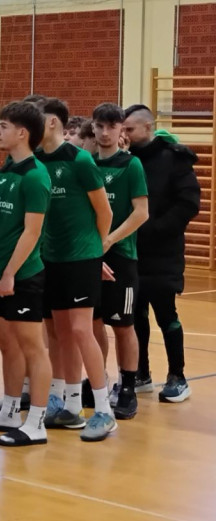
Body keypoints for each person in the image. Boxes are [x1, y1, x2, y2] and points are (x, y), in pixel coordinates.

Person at [0, 101, 52, 447]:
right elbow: (0, 222)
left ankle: (37, 423)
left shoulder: (36, 176)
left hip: (24, 275)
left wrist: (10, 275)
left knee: (33, 348)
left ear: (22, 133)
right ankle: (9, 411)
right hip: (1, 270)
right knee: (7, 346)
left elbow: (32, 233)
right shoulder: (7, 169)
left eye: (2, 126)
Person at [34, 98, 116, 441]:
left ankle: (104, 410)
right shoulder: (35, 160)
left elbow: (105, 212)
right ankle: (69, 405)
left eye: (36, 120)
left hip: (81, 256)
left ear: (52, 122)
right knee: (58, 333)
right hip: (50, 256)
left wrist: (95, 251)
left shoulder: (79, 160)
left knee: (82, 330)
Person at [124, 104, 200, 402]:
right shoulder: (126, 160)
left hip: (164, 252)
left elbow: (189, 203)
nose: (124, 134)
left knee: (166, 314)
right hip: (132, 252)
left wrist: (154, 229)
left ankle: (177, 376)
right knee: (135, 315)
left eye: (130, 129)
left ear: (147, 127)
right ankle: (140, 373)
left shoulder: (174, 159)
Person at [88, 103, 148, 419]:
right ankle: (97, 380)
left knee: (123, 324)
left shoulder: (131, 165)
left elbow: (141, 213)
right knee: (93, 322)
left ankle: (127, 386)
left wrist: (110, 239)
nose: (105, 132)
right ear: (93, 127)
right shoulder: (86, 163)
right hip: (89, 255)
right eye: (100, 126)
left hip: (121, 256)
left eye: (112, 126)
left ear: (121, 129)